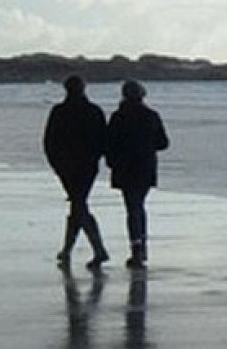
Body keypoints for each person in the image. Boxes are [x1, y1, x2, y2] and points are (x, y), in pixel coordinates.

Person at [44, 75, 110, 267]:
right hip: (87, 165)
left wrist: (55, 164)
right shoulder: (94, 111)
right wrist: (97, 158)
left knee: (78, 204)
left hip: (67, 165)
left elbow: (50, 141)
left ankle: (95, 250)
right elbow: (103, 140)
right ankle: (72, 250)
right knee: (78, 205)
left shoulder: (59, 111)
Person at [104, 80, 169, 268]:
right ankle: (141, 246)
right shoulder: (151, 115)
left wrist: (112, 160)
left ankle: (137, 248)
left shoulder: (118, 117)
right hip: (145, 166)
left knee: (132, 207)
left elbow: (109, 143)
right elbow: (163, 143)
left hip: (124, 167)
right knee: (138, 206)